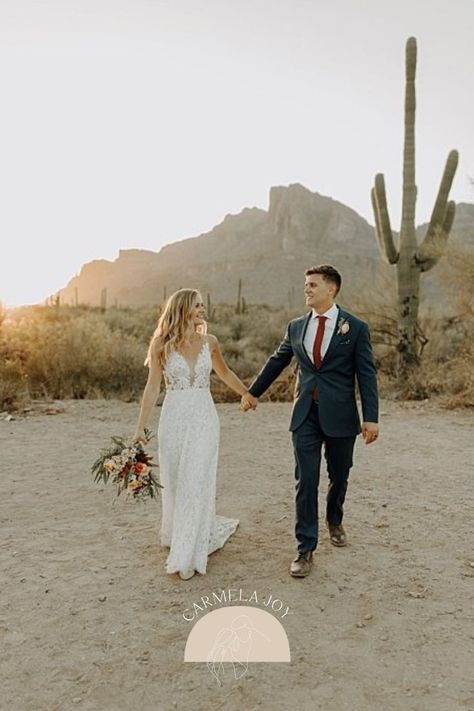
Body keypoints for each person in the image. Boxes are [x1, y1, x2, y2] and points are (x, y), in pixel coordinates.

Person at [241, 264, 379, 578]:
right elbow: (277, 361)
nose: (307, 289)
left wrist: (370, 418)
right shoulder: (295, 327)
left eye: (313, 285)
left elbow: (366, 374)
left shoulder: (355, 328)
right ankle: (305, 549)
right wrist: (252, 393)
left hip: (342, 416)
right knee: (306, 479)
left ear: (331, 289)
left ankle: (335, 519)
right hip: (304, 414)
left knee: (340, 475)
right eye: (305, 284)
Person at [133, 288, 248, 580]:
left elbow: (225, 373)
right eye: (197, 305)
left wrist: (248, 393)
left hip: (204, 419)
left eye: (202, 305)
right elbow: (152, 387)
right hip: (173, 420)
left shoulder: (211, 342)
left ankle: (188, 554)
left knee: (195, 479)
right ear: (183, 308)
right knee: (176, 480)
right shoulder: (161, 344)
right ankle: (181, 532)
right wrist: (139, 428)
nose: (202, 309)